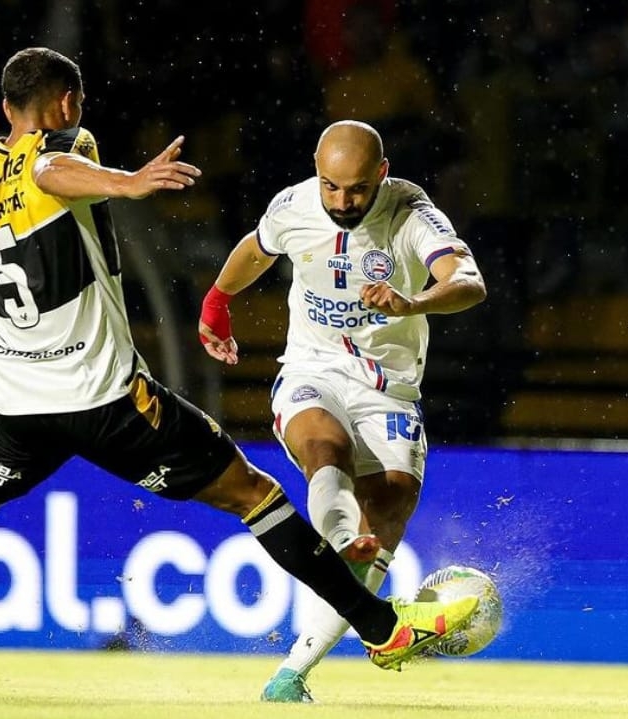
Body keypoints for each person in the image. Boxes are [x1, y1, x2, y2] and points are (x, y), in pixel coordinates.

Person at [0, 47, 478, 695]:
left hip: (18, 407)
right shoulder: (66, 148)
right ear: (68, 105)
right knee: (256, 496)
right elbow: (52, 170)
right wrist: (130, 182)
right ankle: (382, 628)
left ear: (4, 108)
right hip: (110, 401)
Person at [198, 120, 487, 703]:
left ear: (381, 174)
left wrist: (414, 300)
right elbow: (256, 248)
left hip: (389, 388)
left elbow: (470, 282)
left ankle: (291, 673)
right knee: (322, 448)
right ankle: (342, 535)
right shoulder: (294, 206)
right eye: (330, 187)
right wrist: (217, 300)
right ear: (316, 172)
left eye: (355, 189)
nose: (341, 202)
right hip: (312, 370)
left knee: (393, 497)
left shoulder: (410, 213)